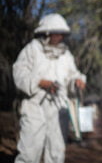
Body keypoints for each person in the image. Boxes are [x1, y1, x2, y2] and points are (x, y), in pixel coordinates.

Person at [13, 13, 86, 163]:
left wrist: (77, 81)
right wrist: (39, 82)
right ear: (46, 33)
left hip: (59, 108)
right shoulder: (32, 49)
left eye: (62, 34)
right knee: (29, 151)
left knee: (56, 152)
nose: (60, 37)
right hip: (35, 106)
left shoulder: (66, 54)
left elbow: (72, 75)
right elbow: (19, 72)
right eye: (56, 33)